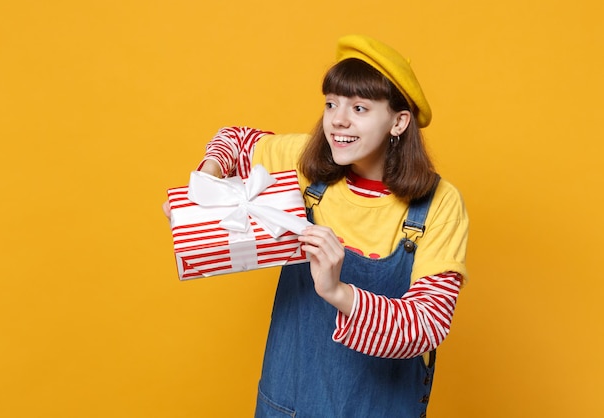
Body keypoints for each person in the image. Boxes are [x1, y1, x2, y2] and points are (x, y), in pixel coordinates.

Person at [165, 34, 469, 417]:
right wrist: (205, 191)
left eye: (359, 108)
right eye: (331, 104)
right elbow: (236, 141)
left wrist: (337, 291)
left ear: (399, 121)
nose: (337, 120)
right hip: (288, 402)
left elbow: (427, 324)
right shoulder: (306, 166)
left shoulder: (439, 204)